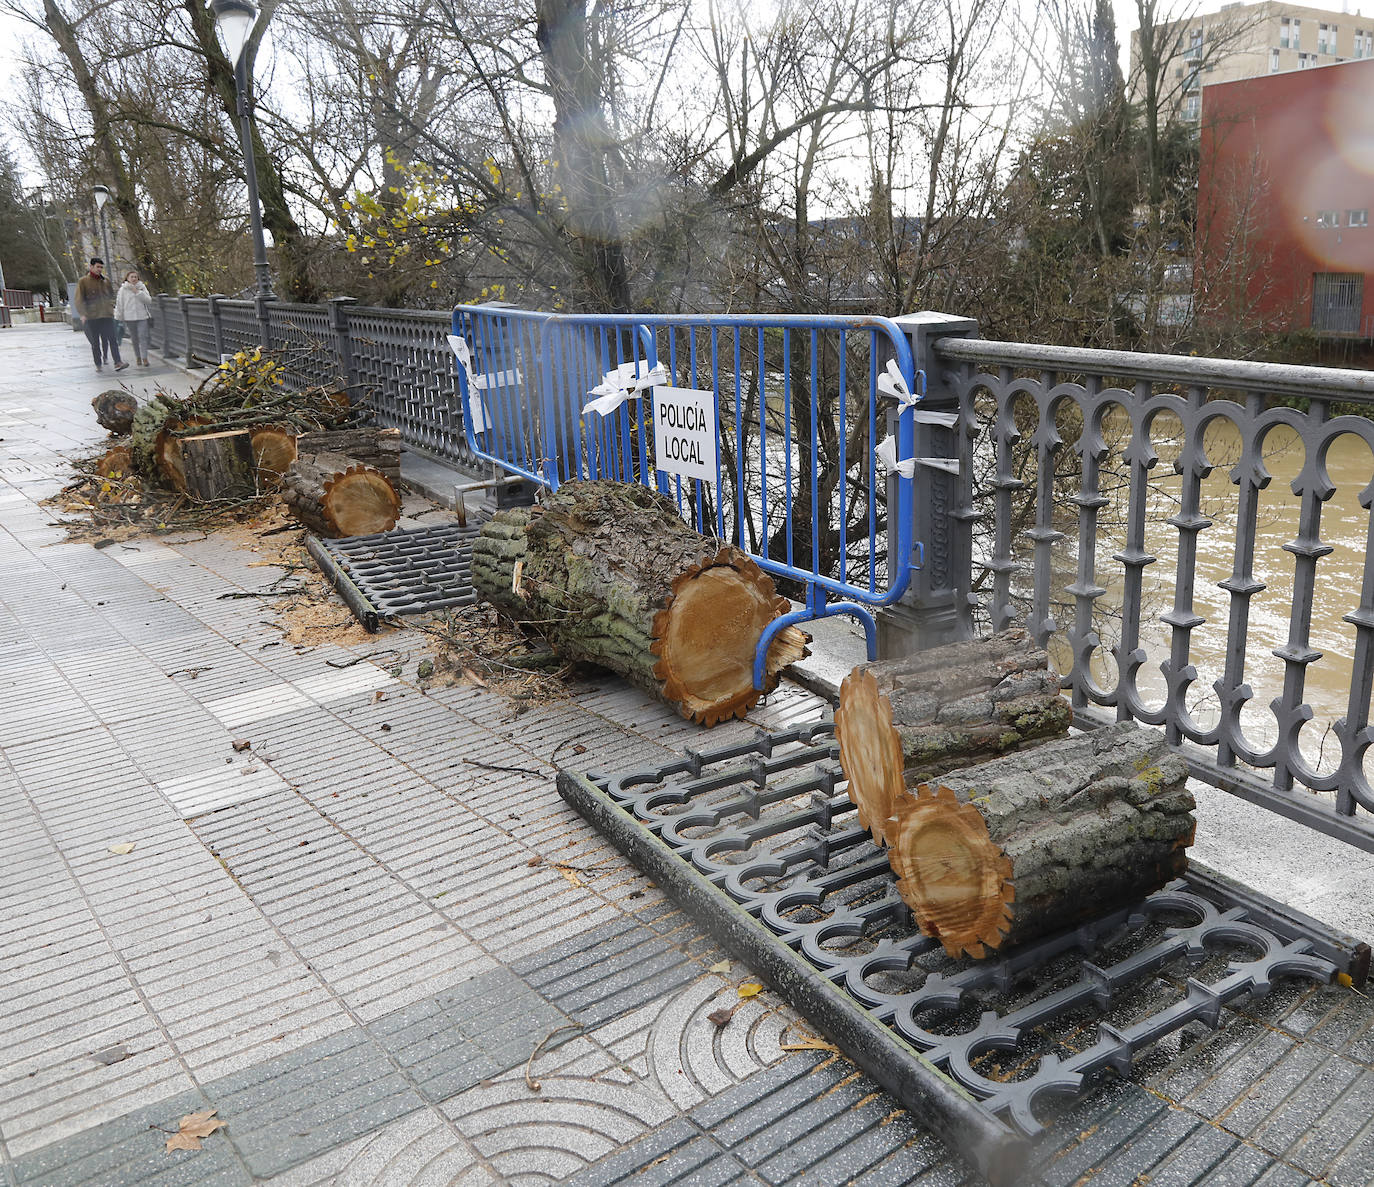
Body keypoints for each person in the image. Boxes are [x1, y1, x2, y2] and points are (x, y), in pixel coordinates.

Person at [73, 258, 127, 372]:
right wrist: (82, 314)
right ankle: (98, 363)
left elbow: (111, 295)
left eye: (101, 267)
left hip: (106, 315)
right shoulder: (83, 281)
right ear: (91, 267)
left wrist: (111, 307)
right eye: (97, 267)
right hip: (92, 316)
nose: (99, 269)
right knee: (95, 342)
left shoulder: (105, 281)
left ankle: (118, 362)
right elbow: (79, 299)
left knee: (113, 339)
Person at [115, 270, 154, 366]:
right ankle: (138, 357)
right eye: (131, 277)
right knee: (134, 338)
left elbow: (148, 300)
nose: (134, 279)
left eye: (135, 277)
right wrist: (119, 317)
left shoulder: (142, 287)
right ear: (127, 278)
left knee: (143, 336)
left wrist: (137, 292)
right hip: (129, 317)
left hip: (142, 316)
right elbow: (120, 303)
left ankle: (145, 357)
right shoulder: (123, 289)